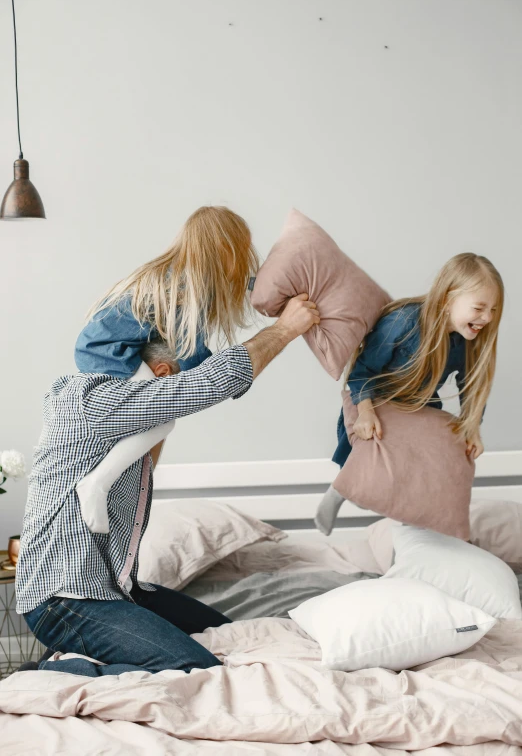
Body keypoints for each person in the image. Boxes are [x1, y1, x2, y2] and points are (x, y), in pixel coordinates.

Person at [16, 295, 320, 678]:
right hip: (65, 600)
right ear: (161, 373)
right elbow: (207, 384)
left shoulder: (129, 437)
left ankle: (96, 657)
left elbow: (178, 405)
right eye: (174, 383)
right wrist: (284, 329)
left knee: (229, 633)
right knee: (195, 668)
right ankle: (51, 672)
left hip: (120, 590)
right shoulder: (91, 400)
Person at [73, 205, 260, 533]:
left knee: (155, 420)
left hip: (101, 349)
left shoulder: (175, 277)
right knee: (162, 421)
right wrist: (236, 381)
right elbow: (191, 354)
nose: (244, 258)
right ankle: (96, 485)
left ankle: (107, 485)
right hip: (108, 354)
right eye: (240, 251)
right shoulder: (187, 291)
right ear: (223, 249)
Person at [315, 252, 503, 536]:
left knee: (420, 477)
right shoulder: (402, 322)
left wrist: (473, 428)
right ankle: (338, 492)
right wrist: (365, 412)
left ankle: (412, 538)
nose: (487, 318)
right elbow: (361, 370)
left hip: (419, 409)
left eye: (493, 310)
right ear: (449, 299)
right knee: (368, 466)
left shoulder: (462, 344)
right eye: (479, 308)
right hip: (374, 401)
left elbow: (472, 388)